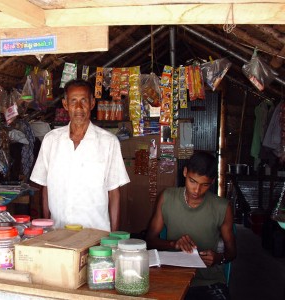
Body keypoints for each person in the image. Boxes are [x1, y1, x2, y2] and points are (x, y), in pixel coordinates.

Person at [30, 79, 130, 232]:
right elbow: (45, 187)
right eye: (73, 101)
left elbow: (114, 193)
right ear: (65, 105)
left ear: (92, 103)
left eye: (83, 101)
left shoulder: (108, 142)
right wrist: (47, 229)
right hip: (58, 232)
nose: (78, 107)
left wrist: (113, 237)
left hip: (96, 235)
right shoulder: (51, 140)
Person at [146, 151, 236, 300]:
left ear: (212, 181)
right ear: (185, 172)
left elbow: (232, 252)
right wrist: (174, 244)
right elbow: (150, 239)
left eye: (204, 185)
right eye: (192, 181)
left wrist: (219, 258)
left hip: (208, 282)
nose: (196, 190)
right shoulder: (167, 197)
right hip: (172, 278)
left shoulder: (222, 207)